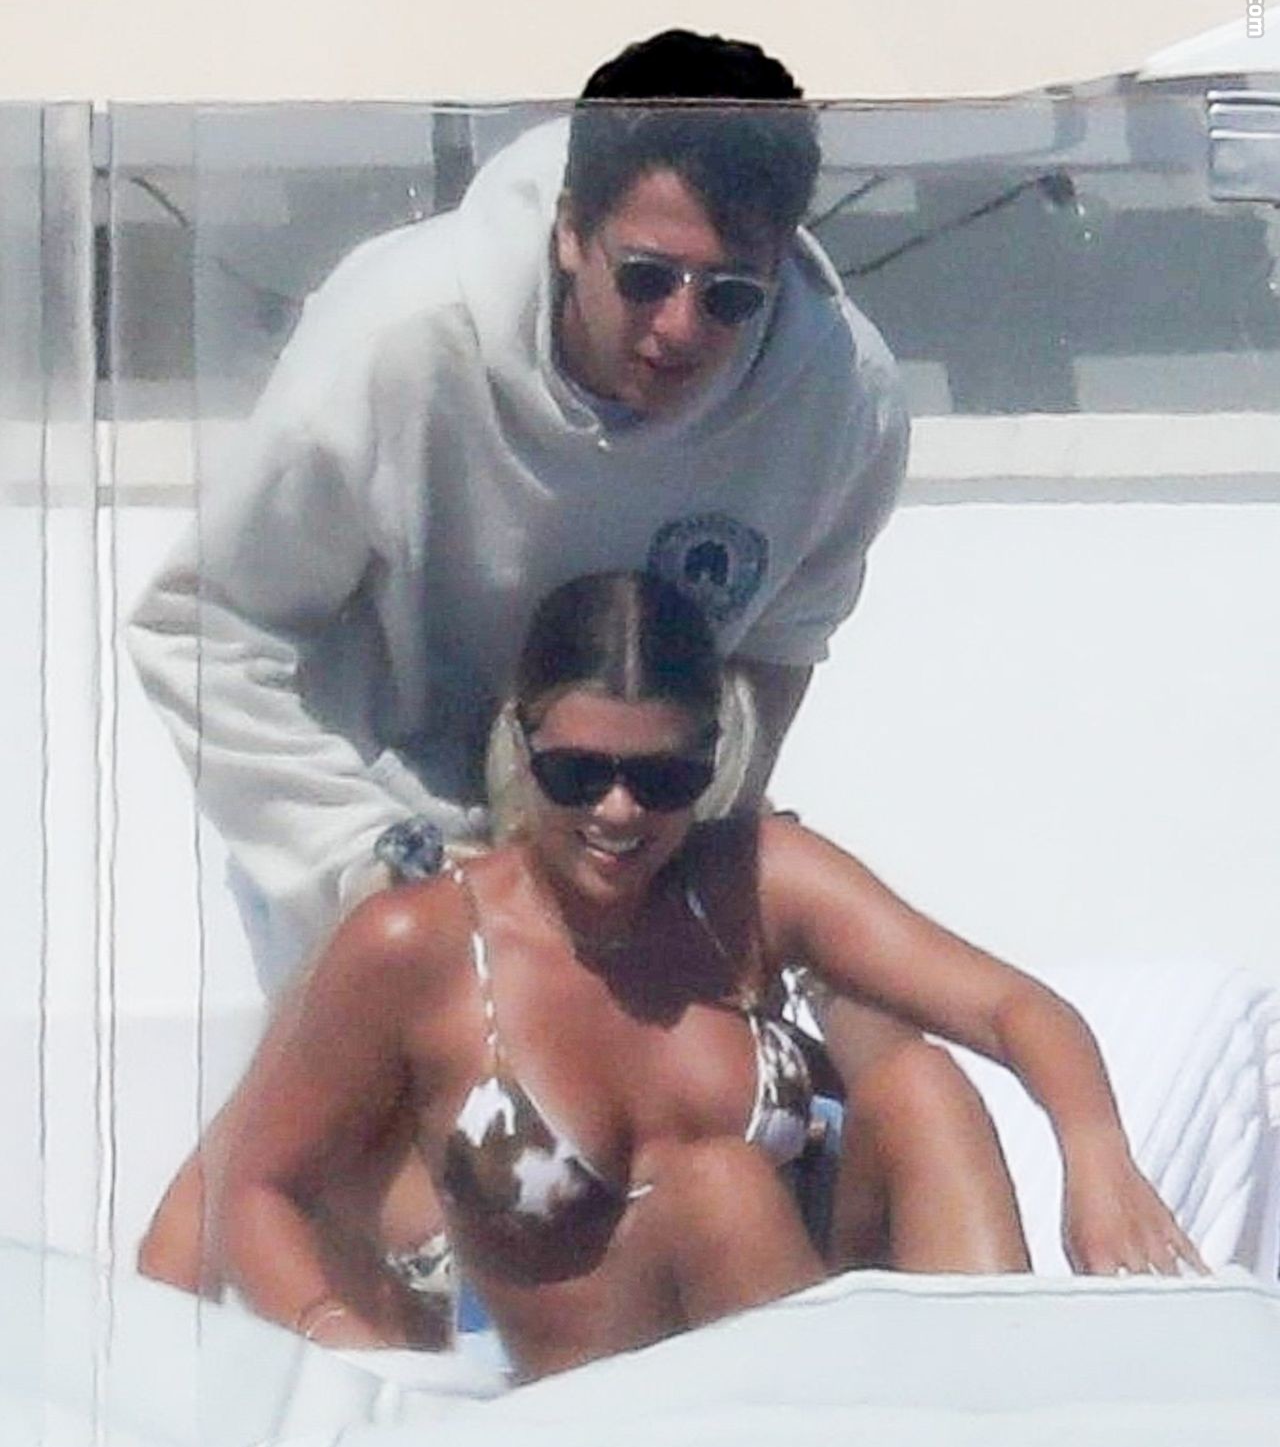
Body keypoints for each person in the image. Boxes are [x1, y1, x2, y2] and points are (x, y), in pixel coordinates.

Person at [139, 575, 1202, 1383]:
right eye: (577, 774)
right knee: (718, 1190)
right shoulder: (416, 943)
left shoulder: (753, 882)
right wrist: (344, 1351)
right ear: (521, 746)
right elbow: (248, 1187)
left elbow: (1013, 1006)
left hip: (789, 1355)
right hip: (577, 1406)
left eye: (663, 778)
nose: (617, 813)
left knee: (918, 1084)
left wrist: (1096, 1154)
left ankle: (997, 1421)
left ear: (713, 762)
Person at [127, 28, 906, 988]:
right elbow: (204, 628)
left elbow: (779, 648)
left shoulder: (846, 398)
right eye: (647, 277)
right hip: (381, 847)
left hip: (633, 855)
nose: (680, 327)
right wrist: (373, 860)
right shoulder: (393, 339)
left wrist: (689, 846)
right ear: (572, 232)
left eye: (732, 296)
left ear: (782, 264)